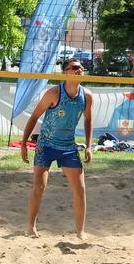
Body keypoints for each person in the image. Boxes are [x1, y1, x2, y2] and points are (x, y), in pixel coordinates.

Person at [21, 59, 93, 239]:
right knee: (39, 187)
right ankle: (30, 227)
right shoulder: (53, 93)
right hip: (46, 145)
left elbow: (88, 121)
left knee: (80, 189)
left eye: (82, 69)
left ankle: (80, 232)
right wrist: (23, 144)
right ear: (65, 72)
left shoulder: (87, 96)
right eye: (75, 68)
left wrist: (89, 146)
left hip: (68, 146)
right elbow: (34, 117)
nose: (79, 71)